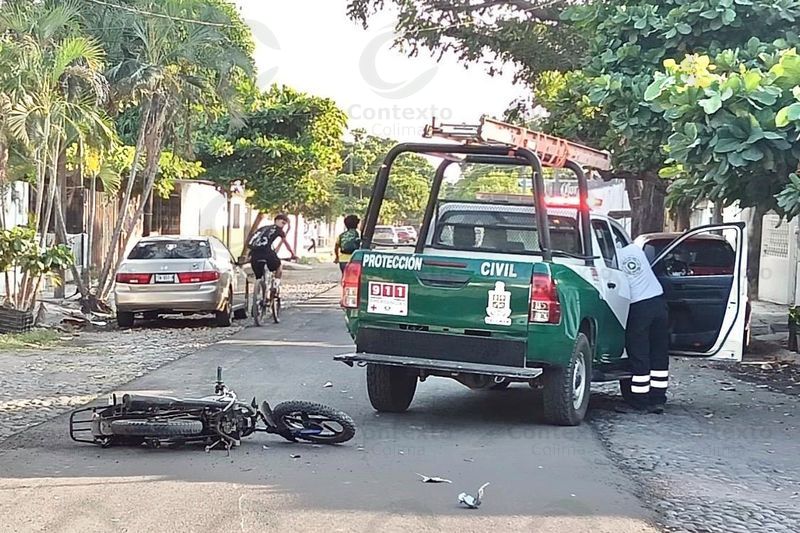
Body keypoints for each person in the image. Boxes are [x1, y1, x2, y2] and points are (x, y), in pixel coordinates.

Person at [617, 241, 669, 414]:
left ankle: (640, 400)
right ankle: (658, 399)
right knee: (659, 353)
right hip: (659, 301)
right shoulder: (634, 249)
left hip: (639, 306)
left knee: (639, 352)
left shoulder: (613, 258)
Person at [247, 214, 298, 289]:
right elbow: (286, 244)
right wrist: (292, 254)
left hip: (254, 254)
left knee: (259, 276)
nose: (283, 225)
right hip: (266, 253)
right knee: (279, 266)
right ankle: (276, 284)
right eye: (283, 223)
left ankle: (259, 289)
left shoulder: (262, 228)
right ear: (276, 220)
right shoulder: (278, 230)